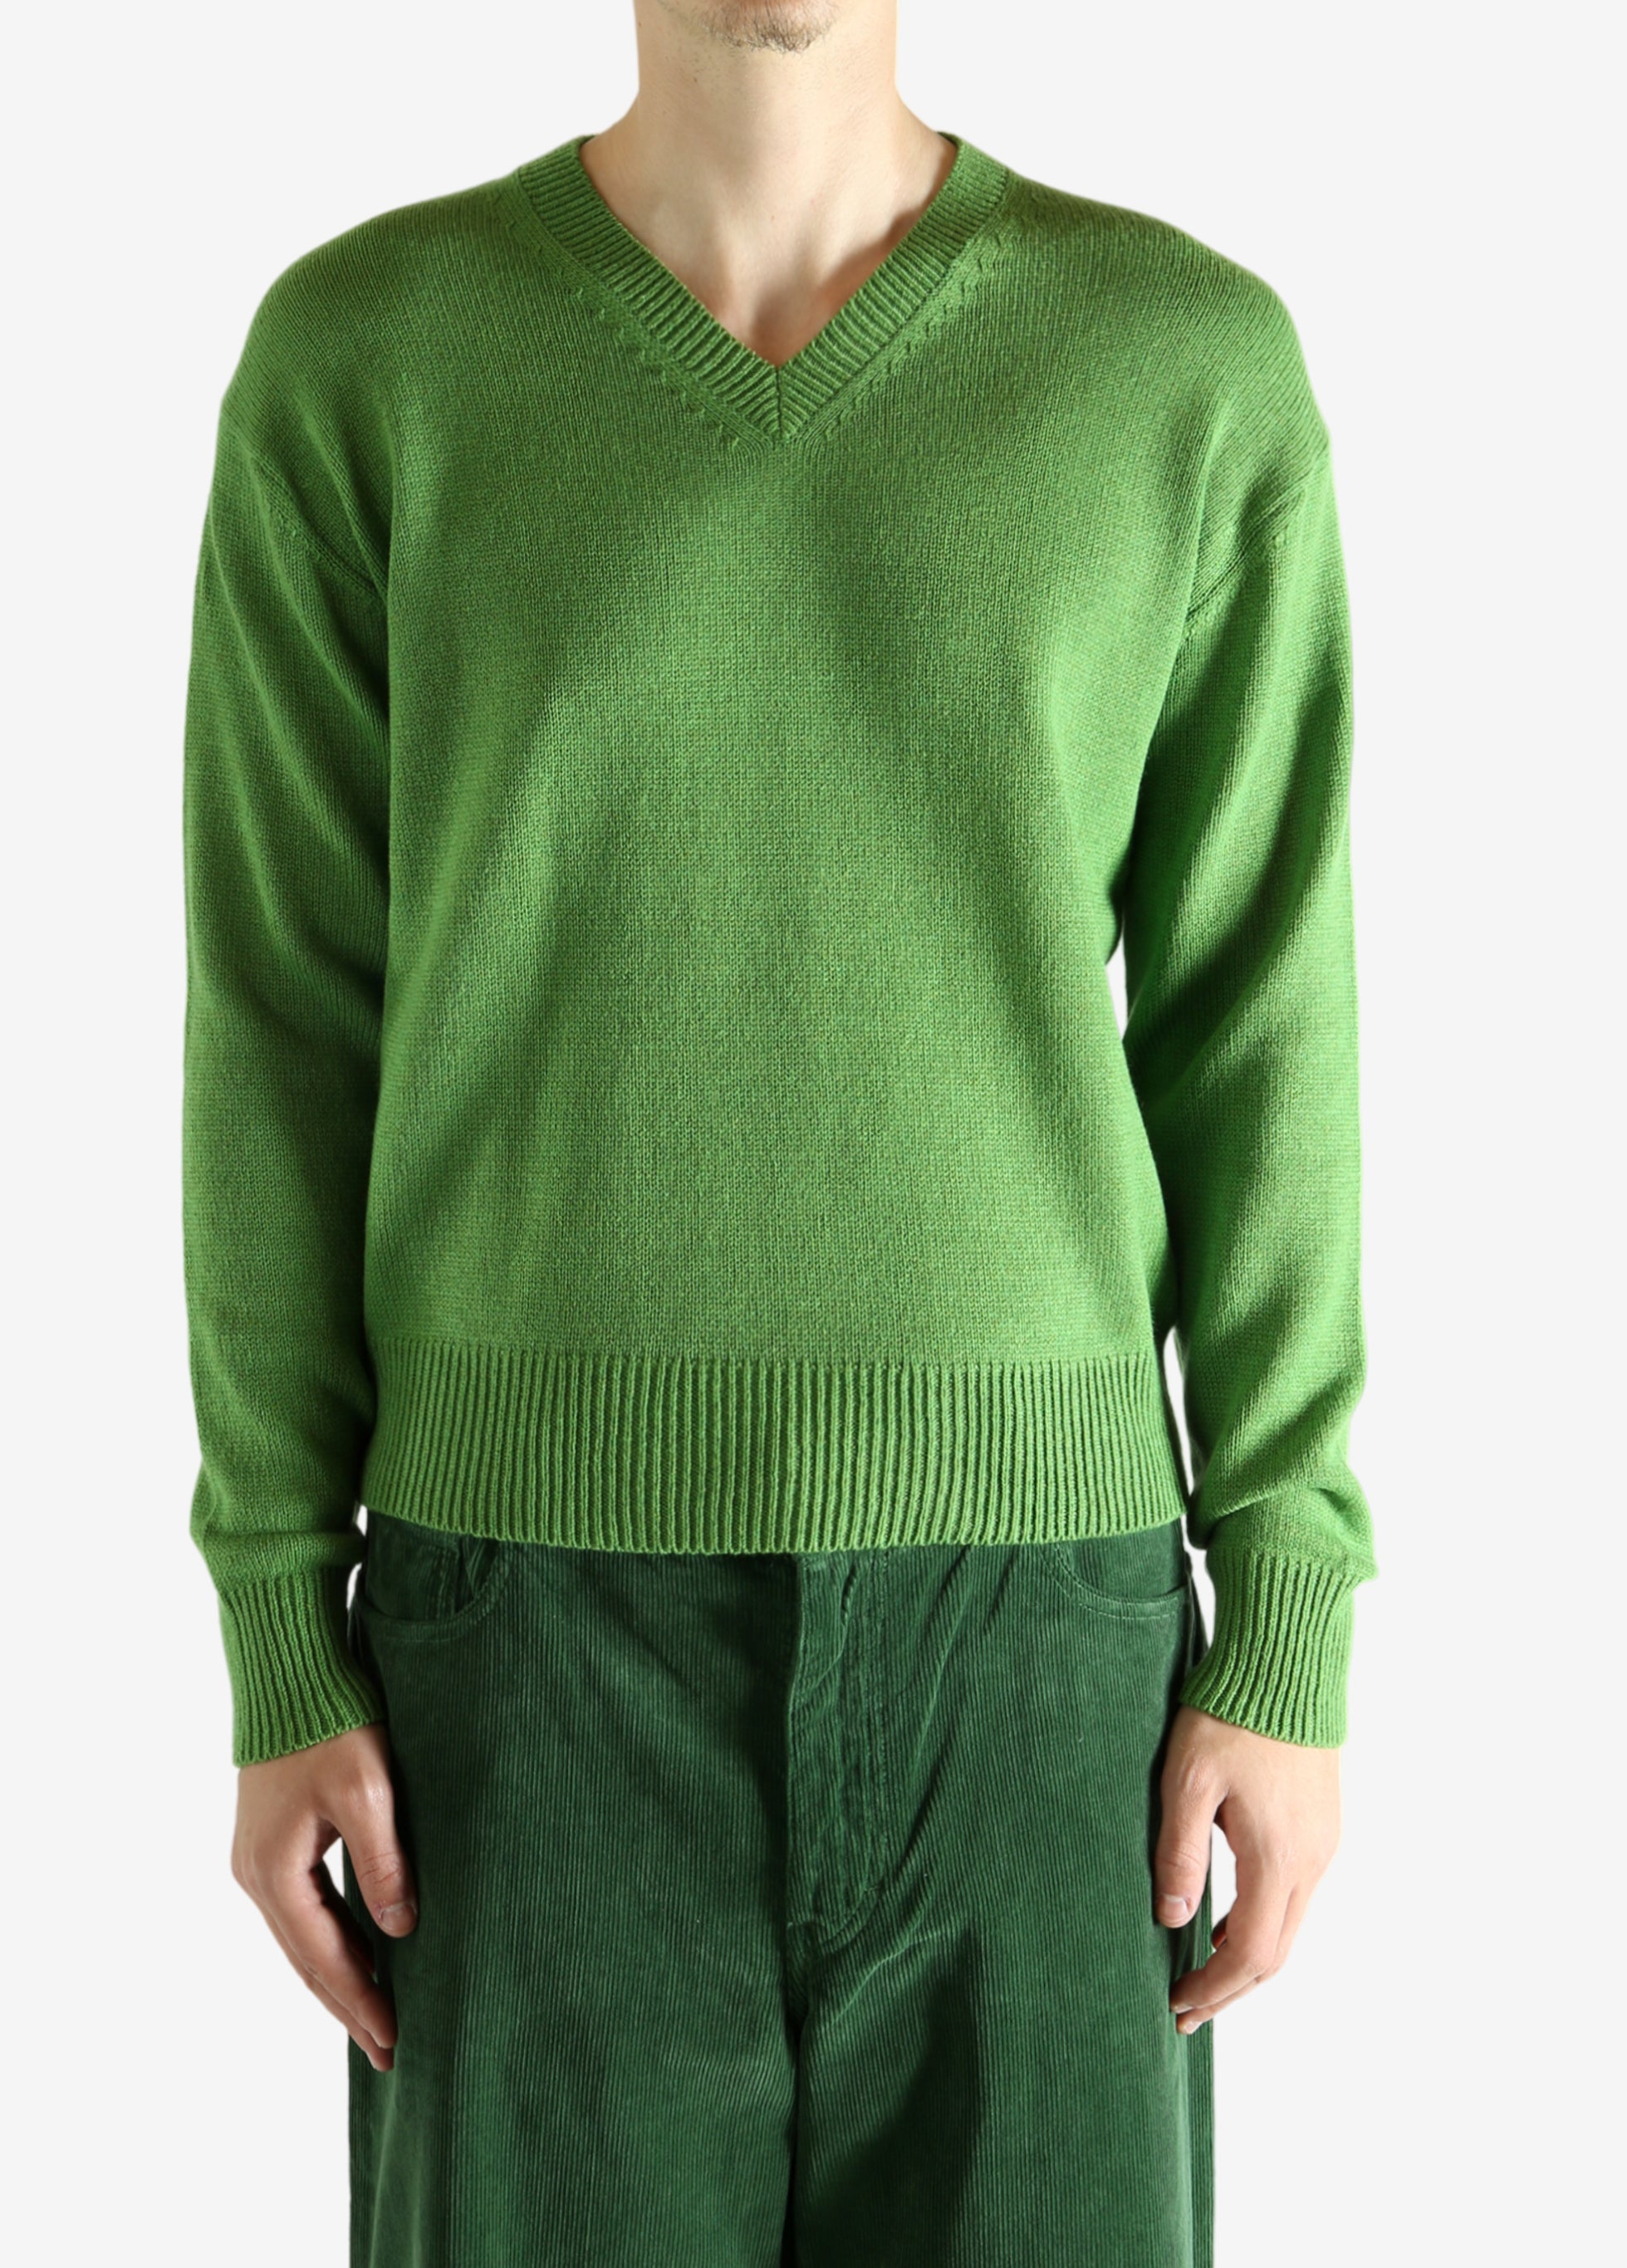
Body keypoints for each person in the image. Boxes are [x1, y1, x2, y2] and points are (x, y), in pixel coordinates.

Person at [181, 2, 1376, 2259]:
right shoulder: (370, 362)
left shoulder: (1181, 372)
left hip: (1047, 1663)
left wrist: (1289, 1597)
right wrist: (277, 1620)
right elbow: (281, 1019)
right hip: (519, 1649)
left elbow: (1261, 1019)